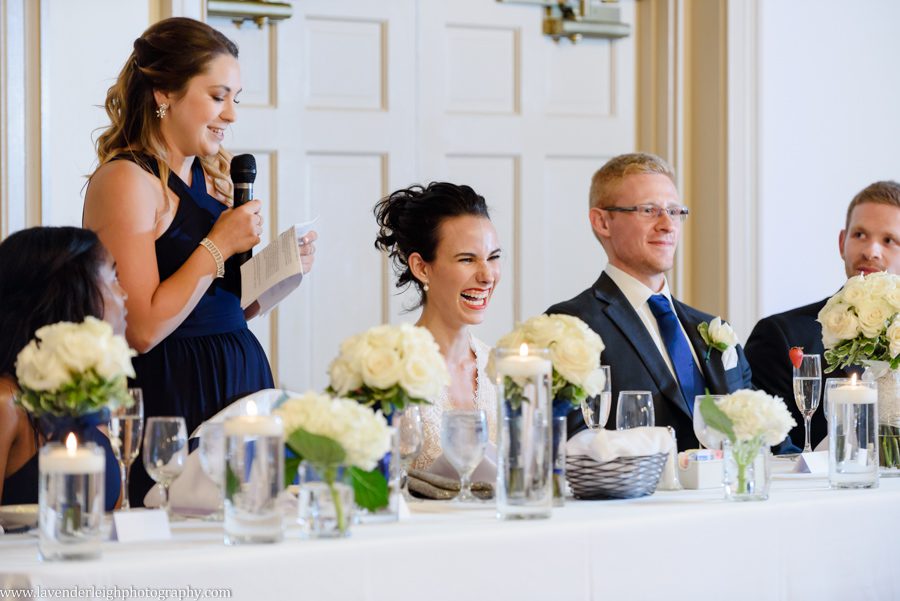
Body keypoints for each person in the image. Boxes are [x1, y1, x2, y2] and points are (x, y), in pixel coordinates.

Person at [82, 17, 317, 506]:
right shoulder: (127, 179)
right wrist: (218, 245)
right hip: (176, 386)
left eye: (236, 99)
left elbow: (211, 301)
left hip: (240, 378)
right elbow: (142, 328)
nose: (230, 114)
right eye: (218, 96)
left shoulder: (210, 178)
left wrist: (273, 275)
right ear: (165, 91)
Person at [547, 153, 753, 450]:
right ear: (603, 221)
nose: (668, 225)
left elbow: (759, 434)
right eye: (649, 210)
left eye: (675, 211)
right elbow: (576, 446)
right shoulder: (569, 326)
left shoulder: (709, 327)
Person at [745, 181, 900, 452]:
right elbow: (769, 449)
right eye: (860, 235)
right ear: (842, 242)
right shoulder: (781, 335)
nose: (871, 251)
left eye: (889, 240)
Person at [374, 182, 501, 472]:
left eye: (493, 257)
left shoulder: (502, 371)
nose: (487, 276)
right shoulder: (386, 369)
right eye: (467, 259)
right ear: (421, 267)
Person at [0, 227, 127, 510]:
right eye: (114, 277)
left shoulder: (90, 397)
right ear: (76, 292)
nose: (125, 294)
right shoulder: (6, 402)